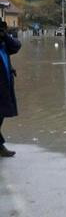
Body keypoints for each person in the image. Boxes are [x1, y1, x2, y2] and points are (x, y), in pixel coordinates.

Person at [0, 19, 21, 157]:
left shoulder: (3, 44)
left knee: (0, 116)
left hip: (4, 88)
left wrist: (5, 36)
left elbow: (16, 46)